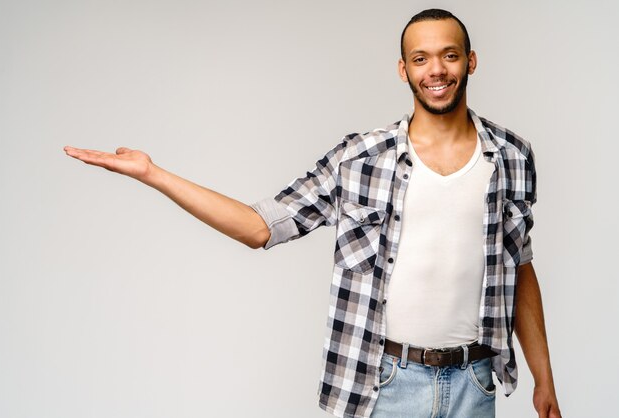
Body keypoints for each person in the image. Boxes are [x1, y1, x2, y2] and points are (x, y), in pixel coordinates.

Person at [64, 8, 561, 418]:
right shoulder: (359, 158)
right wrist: (154, 173)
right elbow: (259, 227)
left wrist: (545, 380)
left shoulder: (512, 156)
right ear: (403, 69)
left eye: (449, 56)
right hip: (384, 385)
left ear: (470, 61)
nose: (436, 70)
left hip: (475, 383)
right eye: (421, 58)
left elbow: (519, 271)